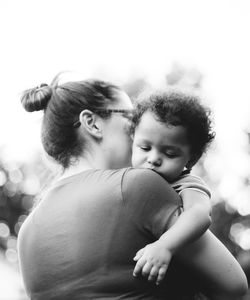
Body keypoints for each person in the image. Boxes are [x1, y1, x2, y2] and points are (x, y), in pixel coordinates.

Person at [17, 75, 247, 300]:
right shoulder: (135, 185)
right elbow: (235, 287)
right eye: (130, 118)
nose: (138, 130)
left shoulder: (26, 234)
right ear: (92, 123)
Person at [131, 91, 214, 284]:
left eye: (169, 153)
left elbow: (200, 213)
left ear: (191, 159)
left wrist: (165, 246)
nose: (153, 159)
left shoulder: (186, 184)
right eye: (144, 148)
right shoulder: (128, 177)